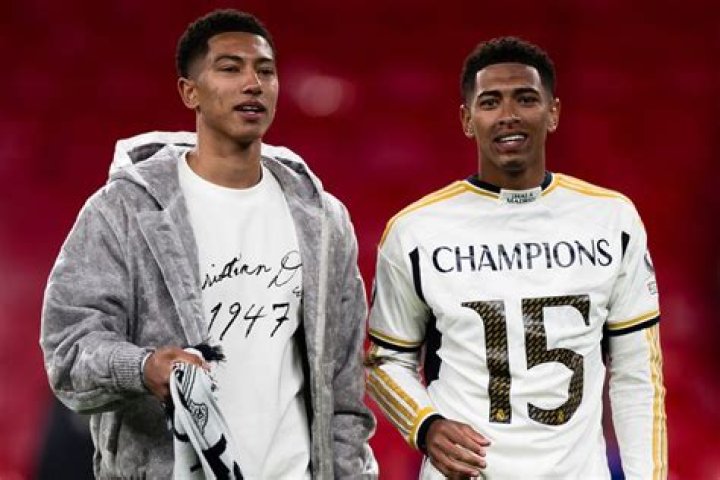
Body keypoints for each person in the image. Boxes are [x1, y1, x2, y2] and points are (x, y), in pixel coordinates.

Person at [40, 9, 377, 479]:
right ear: (189, 92)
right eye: (230, 68)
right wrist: (142, 367)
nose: (253, 83)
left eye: (265, 71)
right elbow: (69, 350)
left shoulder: (322, 220)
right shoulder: (123, 211)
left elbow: (343, 385)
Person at [365, 36, 667, 479]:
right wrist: (425, 425)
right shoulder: (414, 232)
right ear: (467, 119)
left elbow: (637, 373)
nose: (508, 114)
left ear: (554, 112)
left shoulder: (612, 220)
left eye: (526, 98)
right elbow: (385, 360)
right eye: (490, 102)